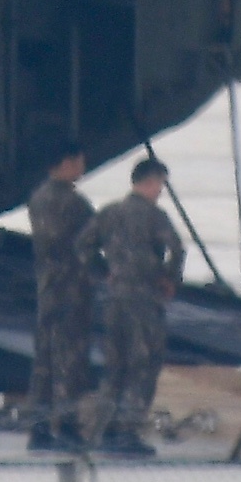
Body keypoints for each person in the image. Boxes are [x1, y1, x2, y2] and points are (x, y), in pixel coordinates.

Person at [77, 158, 186, 457]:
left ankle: (107, 428)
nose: (160, 192)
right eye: (160, 185)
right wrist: (169, 279)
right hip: (144, 302)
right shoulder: (154, 216)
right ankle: (128, 430)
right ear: (150, 183)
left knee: (115, 367)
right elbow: (177, 248)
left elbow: (83, 245)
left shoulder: (110, 213)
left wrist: (102, 272)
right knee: (143, 366)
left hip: (115, 300)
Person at [24, 135, 96, 454]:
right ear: (66, 163)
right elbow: (92, 242)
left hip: (46, 287)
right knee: (70, 361)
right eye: (78, 160)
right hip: (72, 290)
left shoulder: (37, 197)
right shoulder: (75, 203)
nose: (82, 166)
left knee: (44, 362)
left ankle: (38, 427)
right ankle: (67, 425)